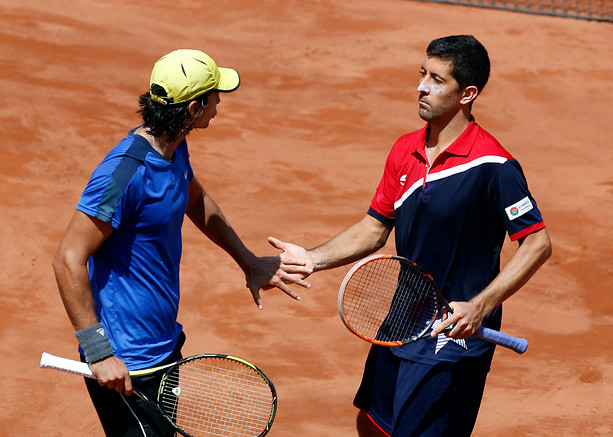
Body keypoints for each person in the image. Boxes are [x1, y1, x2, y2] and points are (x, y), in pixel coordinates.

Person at [270, 35, 552, 436]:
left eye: (437, 80)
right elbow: (374, 227)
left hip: (453, 336)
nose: (421, 86)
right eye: (422, 74)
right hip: (402, 321)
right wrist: (313, 258)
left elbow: (538, 243)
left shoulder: (495, 165)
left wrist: (479, 305)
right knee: (371, 423)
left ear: (466, 94)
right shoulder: (405, 150)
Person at [52, 49, 311, 437]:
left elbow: (195, 199)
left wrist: (248, 261)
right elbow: (67, 259)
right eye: (214, 96)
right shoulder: (124, 173)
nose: (219, 103)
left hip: (164, 344)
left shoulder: (173, 149)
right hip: (127, 359)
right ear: (193, 108)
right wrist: (98, 351)